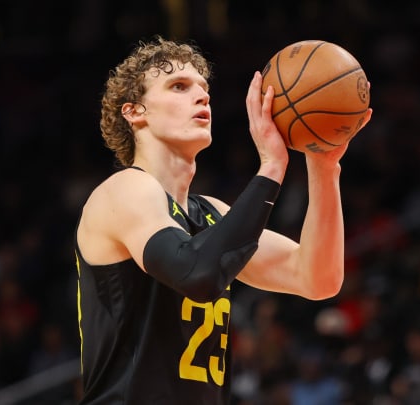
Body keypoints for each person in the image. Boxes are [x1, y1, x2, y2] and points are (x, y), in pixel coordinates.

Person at [74, 36, 372, 404]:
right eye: (179, 87)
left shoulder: (213, 213)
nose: (201, 97)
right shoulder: (124, 191)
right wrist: (273, 166)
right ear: (135, 112)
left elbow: (317, 278)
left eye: (204, 88)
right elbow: (196, 274)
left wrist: (323, 167)